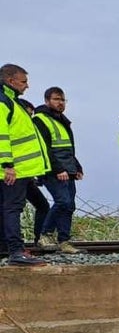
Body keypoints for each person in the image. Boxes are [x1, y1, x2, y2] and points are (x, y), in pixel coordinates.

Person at [0, 64, 51, 265]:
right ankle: (15, 252)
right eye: (23, 81)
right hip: (14, 170)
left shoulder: (12, 102)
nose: (27, 86)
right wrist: (7, 165)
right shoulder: (5, 102)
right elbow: (2, 136)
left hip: (18, 169)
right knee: (12, 208)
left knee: (7, 208)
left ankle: (7, 248)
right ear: (10, 81)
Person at [32, 87, 84, 254]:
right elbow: (45, 148)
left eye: (62, 100)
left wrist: (76, 166)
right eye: (56, 99)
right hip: (53, 169)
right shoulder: (40, 119)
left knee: (69, 206)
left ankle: (64, 240)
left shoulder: (61, 119)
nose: (60, 103)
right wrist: (57, 169)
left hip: (67, 168)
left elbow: (67, 148)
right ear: (47, 101)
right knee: (63, 202)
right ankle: (45, 234)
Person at [15, 97, 49, 244]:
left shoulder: (29, 128)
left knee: (43, 206)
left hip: (26, 177)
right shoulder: (16, 128)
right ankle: (12, 242)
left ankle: (37, 239)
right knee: (13, 210)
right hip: (14, 176)